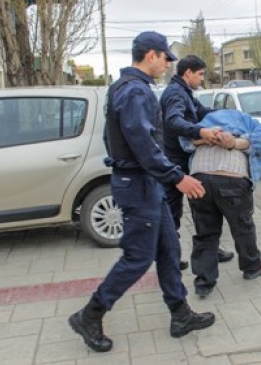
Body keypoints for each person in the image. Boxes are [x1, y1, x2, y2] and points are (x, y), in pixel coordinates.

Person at [68, 31, 215, 353]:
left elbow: (117, 140)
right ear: (151, 55)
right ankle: (90, 314)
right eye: (165, 59)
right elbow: (144, 145)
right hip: (138, 185)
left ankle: (180, 314)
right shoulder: (135, 92)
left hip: (146, 184)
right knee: (138, 258)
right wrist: (177, 177)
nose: (167, 66)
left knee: (168, 250)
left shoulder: (126, 88)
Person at [180, 109, 261, 297]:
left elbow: (184, 142)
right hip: (233, 178)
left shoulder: (202, 124)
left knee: (205, 233)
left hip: (199, 179)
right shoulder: (246, 120)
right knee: (242, 227)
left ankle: (204, 282)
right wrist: (236, 143)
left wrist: (205, 139)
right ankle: (252, 267)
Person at [160, 55, 234, 270]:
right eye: (200, 74)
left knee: (201, 209)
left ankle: (208, 250)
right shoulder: (175, 93)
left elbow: (201, 112)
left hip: (183, 160)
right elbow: (173, 121)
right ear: (188, 73)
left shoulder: (183, 92)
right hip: (175, 162)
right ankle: (170, 260)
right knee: (174, 213)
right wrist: (200, 131)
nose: (202, 79)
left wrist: (230, 115)